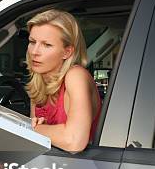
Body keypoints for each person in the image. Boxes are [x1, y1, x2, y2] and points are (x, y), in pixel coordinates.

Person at [25, 9, 102, 153]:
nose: (35, 51)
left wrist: (32, 128)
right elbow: (36, 142)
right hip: (53, 168)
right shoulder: (38, 82)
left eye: (47, 45)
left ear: (67, 52)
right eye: (32, 42)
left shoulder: (75, 76)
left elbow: (74, 141)